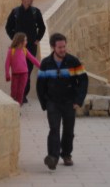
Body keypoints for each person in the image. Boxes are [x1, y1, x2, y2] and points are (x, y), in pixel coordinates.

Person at [36, 32, 88, 170]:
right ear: (53, 47)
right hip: (52, 102)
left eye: (64, 46)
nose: (63, 50)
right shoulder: (46, 63)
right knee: (54, 129)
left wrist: (78, 100)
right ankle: (52, 157)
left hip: (69, 102)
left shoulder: (73, 61)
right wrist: (44, 103)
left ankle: (66, 154)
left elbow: (83, 81)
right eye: (60, 47)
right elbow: (40, 85)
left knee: (68, 130)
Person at [4, 0, 46, 102]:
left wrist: (37, 39)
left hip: (31, 46)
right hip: (17, 49)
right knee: (17, 71)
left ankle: (23, 94)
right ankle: (16, 95)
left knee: (28, 70)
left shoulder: (35, 12)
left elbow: (42, 27)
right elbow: (8, 27)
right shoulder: (15, 12)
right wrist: (15, 39)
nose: (32, 0)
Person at [4, 32, 41, 105]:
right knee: (14, 91)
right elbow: (7, 63)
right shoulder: (11, 51)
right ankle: (12, 106)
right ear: (20, 41)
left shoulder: (25, 50)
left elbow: (33, 59)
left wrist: (41, 66)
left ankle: (18, 108)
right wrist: (7, 74)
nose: (27, 42)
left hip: (24, 74)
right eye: (25, 40)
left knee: (21, 92)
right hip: (15, 75)